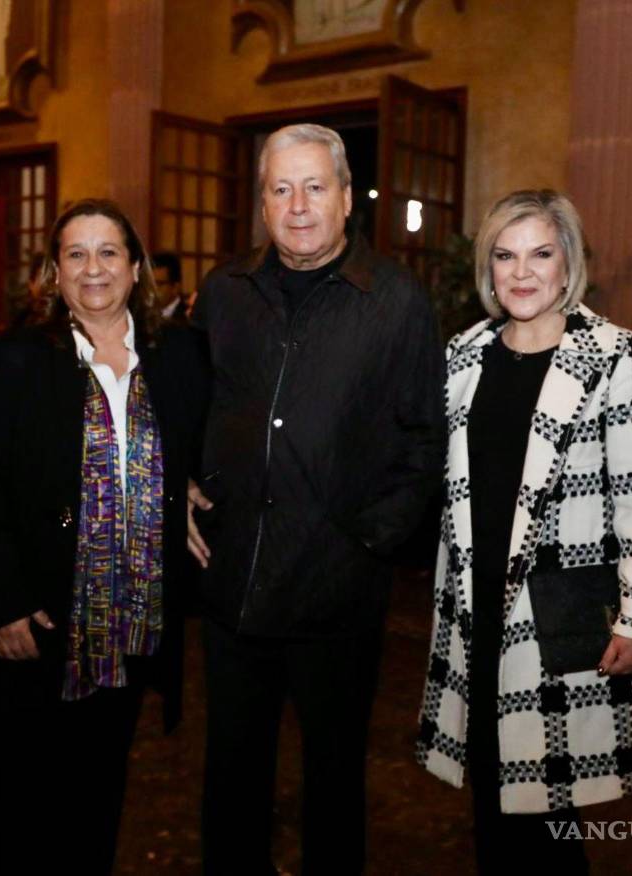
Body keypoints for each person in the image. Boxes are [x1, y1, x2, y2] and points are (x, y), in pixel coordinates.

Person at [188, 123, 446, 875]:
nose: (297, 205)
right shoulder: (226, 293)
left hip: (337, 594)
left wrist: (367, 542)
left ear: (344, 198)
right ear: (262, 203)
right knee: (232, 775)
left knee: (334, 782)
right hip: (234, 581)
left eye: (314, 187)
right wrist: (187, 490)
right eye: (280, 188)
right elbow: (193, 405)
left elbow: (425, 439)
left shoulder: (396, 301)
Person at [415, 190, 632, 874]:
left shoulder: (615, 356)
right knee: (492, 799)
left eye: (540, 254)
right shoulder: (463, 355)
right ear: (488, 269)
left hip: (557, 617)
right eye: (505, 255)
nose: (522, 272)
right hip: (475, 614)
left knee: (546, 814)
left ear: (568, 265)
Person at [0, 198, 208, 875]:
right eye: (76, 254)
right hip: (38, 617)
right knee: (26, 801)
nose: (93, 268)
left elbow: (209, 442)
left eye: (108, 253)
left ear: (135, 268)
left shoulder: (176, 354)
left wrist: (182, 486)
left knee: (101, 792)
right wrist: (4, 599)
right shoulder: (19, 357)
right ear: (54, 272)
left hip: (129, 616)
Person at [150, 250, 189, 323]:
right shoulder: (140, 316)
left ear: (175, 287)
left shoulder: (188, 318)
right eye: (149, 284)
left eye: (158, 284)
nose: (152, 290)